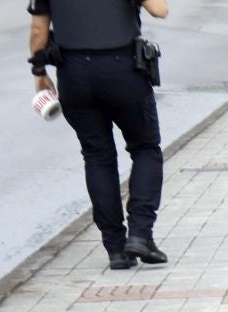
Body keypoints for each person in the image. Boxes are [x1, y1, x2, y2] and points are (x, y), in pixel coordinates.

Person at [28, 0, 170, 272]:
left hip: (74, 75)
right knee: (145, 148)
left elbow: (38, 29)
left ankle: (115, 248)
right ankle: (140, 235)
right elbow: (160, 10)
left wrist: (39, 72)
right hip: (124, 71)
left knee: (97, 156)